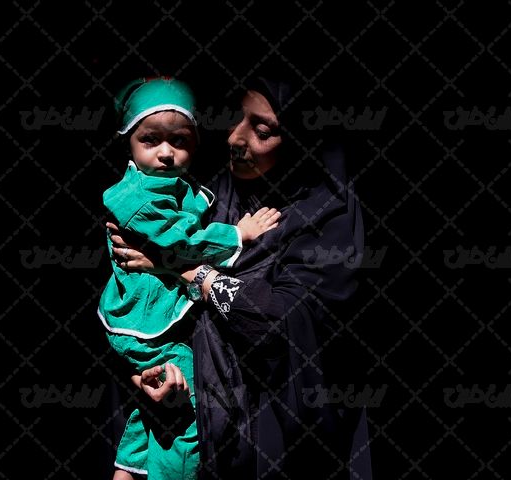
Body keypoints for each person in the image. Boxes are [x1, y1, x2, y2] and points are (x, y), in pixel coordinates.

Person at [107, 76, 372, 479]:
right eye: (235, 118)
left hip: (271, 443)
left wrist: (181, 267)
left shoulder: (327, 222)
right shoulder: (203, 193)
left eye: (261, 131)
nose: (234, 138)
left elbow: (279, 325)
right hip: (187, 418)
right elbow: (138, 305)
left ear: (300, 142)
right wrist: (144, 375)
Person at [98, 76, 281, 480]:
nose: (165, 153)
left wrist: (165, 265)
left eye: (178, 140)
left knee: (156, 408)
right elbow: (182, 241)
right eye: (150, 140)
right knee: (189, 413)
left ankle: (126, 472)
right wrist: (238, 235)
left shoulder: (173, 186)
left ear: (196, 143)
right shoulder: (137, 198)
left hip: (151, 325)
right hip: (147, 327)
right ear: (128, 142)